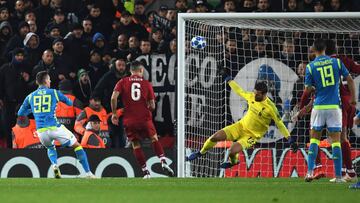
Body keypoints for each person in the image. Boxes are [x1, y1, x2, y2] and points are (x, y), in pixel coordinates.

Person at [187, 77, 290, 169]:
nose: (254, 95)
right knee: (215, 137)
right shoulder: (251, 96)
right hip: (240, 126)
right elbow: (239, 91)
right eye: (254, 92)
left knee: (232, 151)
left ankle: (233, 162)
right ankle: (201, 152)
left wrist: (289, 138)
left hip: (251, 136)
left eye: (257, 94)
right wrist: (229, 81)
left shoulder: (271, 108)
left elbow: (280, 124)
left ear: (264, 94)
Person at [17, 71, 96, 178]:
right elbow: (69, 103)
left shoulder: (30, 96)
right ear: (45, 81)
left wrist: (34, 110)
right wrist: (58, 101)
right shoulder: (54, 92)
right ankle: (88, 173)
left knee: (50, 147)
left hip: (41, 132)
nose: (50, 81)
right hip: (55, 128)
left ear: (37, 82)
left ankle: (54, 165)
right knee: (77, 146)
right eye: (49, 79)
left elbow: (20, 113)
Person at [298, 38, 356, 183]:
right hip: (334, 107)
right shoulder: (336, 62)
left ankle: (310, 172)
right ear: (325, 49)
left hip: (318, 107)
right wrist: (353, 98)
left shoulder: (311, 66)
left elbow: (308, 90)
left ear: (313, 50)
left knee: (314, 140)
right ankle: (338, 177)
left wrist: (302, 106)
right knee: (336, 141)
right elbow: (349, 79)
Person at [111, 61, 174, 178]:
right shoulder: (146, 83)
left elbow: (113, 97)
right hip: (145, 118)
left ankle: (146, 172)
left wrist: (114, 113)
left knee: (135, 144)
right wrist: (147, 107)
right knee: (154, 138)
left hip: (129, 120)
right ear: (141, 70)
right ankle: (163, 161)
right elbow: (153, 105)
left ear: (130, 71)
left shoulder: (122, 81)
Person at [326, 39, 360, 181]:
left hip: (337, 102)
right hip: (349, 102)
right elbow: (358, 69)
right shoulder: (344, 60)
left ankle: (348, 171)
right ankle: (346, 170)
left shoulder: (325, 64)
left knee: (338, 137)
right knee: (340, 137)